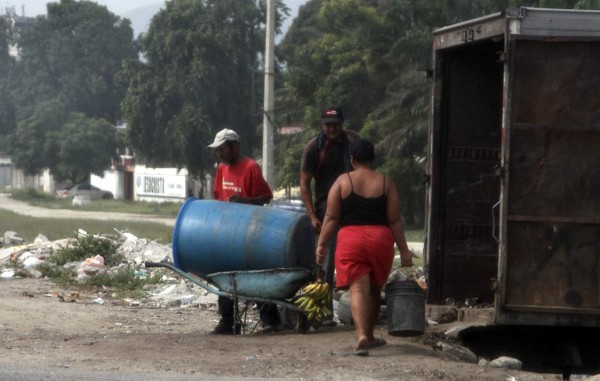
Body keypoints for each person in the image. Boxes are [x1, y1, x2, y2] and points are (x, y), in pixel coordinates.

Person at [315, 138, 416, 356]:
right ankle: (369, 336)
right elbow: (395, 220)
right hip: (380, 239)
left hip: (350, 239)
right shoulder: (386, 182)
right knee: (374, 289)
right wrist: (405, 250)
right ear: (373, 159)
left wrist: (321, 244)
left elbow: (332, 217)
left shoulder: (343, 182)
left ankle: (361, 335)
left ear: (352, 159)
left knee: (358, 289)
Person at [208, 128, 279, 334]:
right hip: (226, 231)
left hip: (249, 232)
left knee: (254, 274)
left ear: (235, 146)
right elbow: (217, 197)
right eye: (218, 150)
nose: (220, 153)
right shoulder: (222, 168)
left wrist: (245, 201)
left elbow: (266, 196)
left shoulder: (250, 167)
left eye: (223, 149)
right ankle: (228, 320)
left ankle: (271, 320)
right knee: (224, 273)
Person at [300, 105, 358, 323]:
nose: (332, 129)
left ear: (342, 124)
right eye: (328, 125)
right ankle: (322, 312)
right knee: (324, 260)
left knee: (355, 258)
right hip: (326, 210)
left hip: (353, 208)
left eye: (335, 125)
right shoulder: (314, 148)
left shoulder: (353, 142)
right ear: (322, 125)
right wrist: (312, 215)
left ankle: (356, 310)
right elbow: (304, 183)